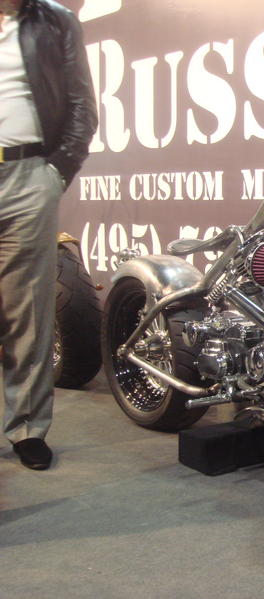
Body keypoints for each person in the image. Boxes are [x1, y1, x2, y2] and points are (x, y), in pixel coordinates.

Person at [0, 0, 97, 469]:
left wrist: (55, 174)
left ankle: (27, 428)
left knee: (29, 313)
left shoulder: (55, 20)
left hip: (28, 177)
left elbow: (81, 105)